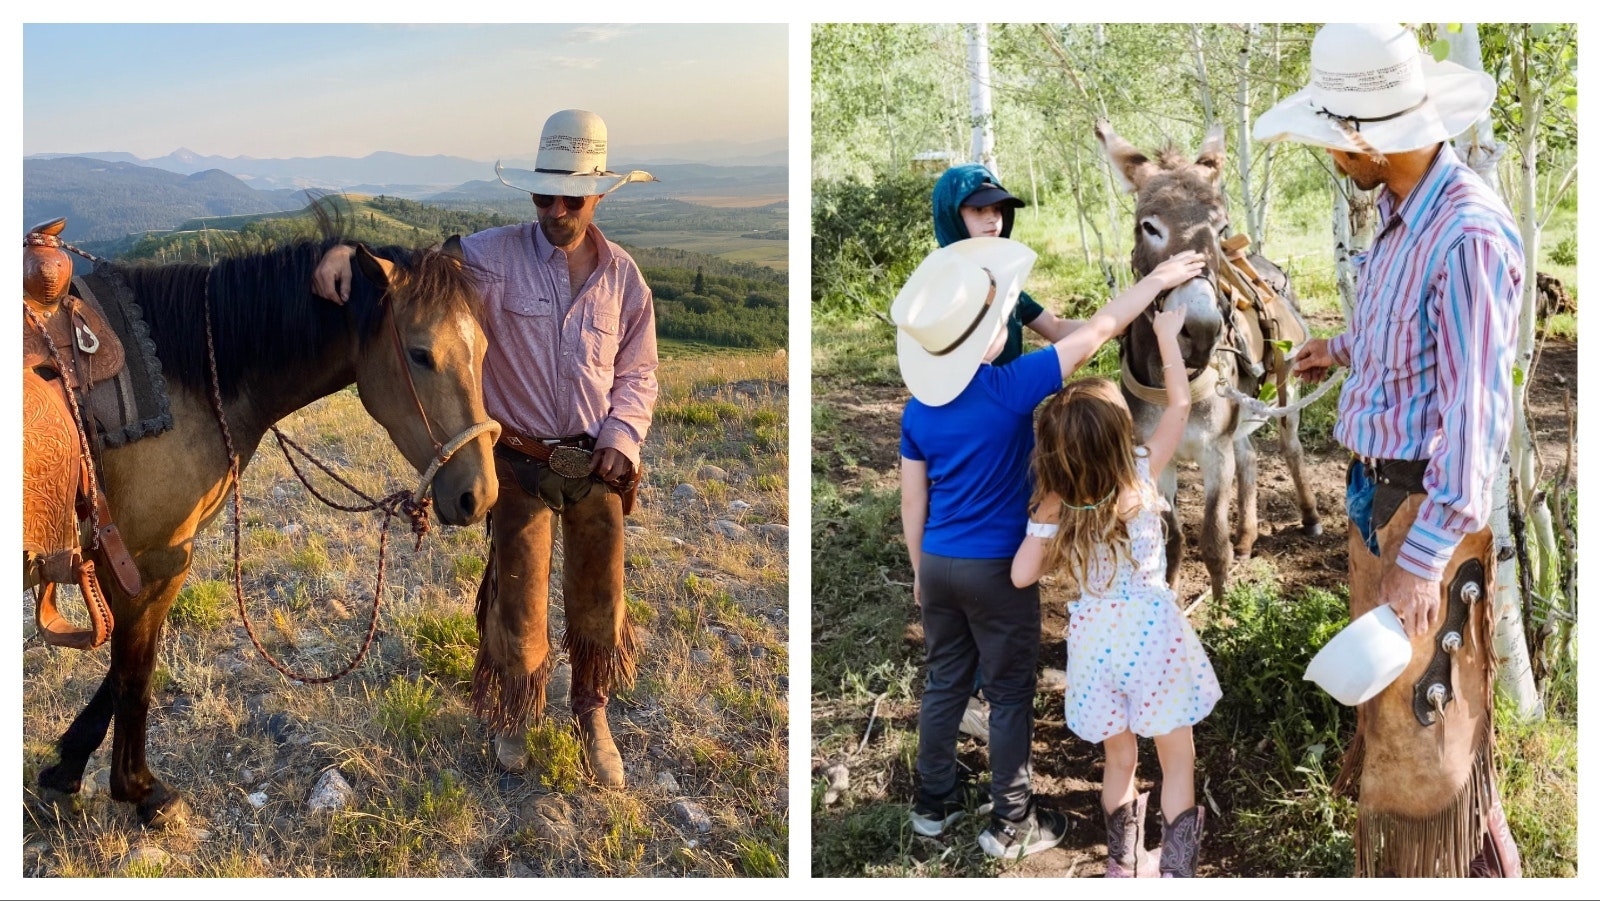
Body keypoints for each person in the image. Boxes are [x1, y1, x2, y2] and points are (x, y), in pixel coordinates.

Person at [313, 109, 659, 789]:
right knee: (517, 601)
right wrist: (342, 252)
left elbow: (638, 370)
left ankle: (591, 711)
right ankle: (514, 711)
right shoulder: (490, 256)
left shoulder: (624, 280)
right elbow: (411, 268)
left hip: (593, 463)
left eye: (571, 198)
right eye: (543, 196)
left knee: (600, 596)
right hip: (521, 461)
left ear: (597, 198)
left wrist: (624, 434)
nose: (555, 210)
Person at [1255, 23, 1524, 877]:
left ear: (1365, 140)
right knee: (1400, 714)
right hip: (1382, 499)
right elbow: (1415, 345)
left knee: (1431, 729)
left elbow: (1476, 418)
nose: (1334, 159)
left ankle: (1466, 873)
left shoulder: (1468, 235)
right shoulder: (1402, 217)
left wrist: (1422, 559)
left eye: (1336, 143)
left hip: (1422, 514)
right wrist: (1337, 349)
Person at [893, 232, 1203, 860]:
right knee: (1007, 694)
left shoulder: (917, 408)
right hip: (995, 572)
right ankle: (1011, 822)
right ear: (985, 338)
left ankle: (933, 803)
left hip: (938, 563)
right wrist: (1154, 282)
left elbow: (912, 500)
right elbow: (1099, 330)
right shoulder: (1010, 389)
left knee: (945, 680)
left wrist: (919, 568)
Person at [1011, 309, 1221, 878]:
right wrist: (1164, 340)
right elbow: (1178, 405)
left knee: (1119, 758)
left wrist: (1048, 508)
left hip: (1096, 643)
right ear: (1119, 434)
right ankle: (1175, 875)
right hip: (1154, 637)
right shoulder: (1141, 472)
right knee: (1177, 762)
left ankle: (1123, 868)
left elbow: (1022, 576)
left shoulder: (1062, 503)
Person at [928, 165, 1081, 743]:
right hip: (972, 430)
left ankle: (979, 682)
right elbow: (976, 352)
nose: (993, 218)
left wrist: (1121, 326)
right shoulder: (941, 284)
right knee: (987, 551)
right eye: (977, 209)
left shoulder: (1008, 277)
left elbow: (1057, 328)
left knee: (1009, 537)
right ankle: (980, 689)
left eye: (999, 209)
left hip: (1011, 427)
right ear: (952, 216)